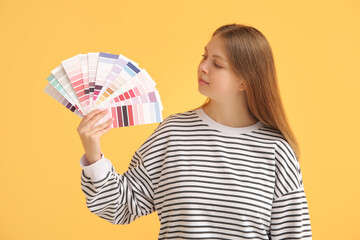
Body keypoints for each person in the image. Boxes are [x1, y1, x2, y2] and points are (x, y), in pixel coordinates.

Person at [77, 23, 312, 240]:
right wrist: (93, 153)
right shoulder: (173, 133)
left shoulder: (276, 150)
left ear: (245, 82)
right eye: (205, 56)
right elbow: (121, 207)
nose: (203, 67)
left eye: (217, 64)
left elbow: (294, 234)